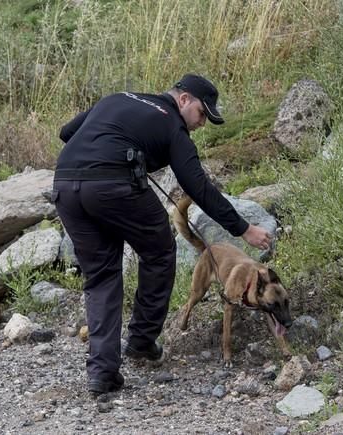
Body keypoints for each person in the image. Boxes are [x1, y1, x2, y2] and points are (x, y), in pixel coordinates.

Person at [52, 74, 273, 395]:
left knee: (101, 276)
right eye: (201, 113)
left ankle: (102, 373)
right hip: (115, 186)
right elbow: (198, 186)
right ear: (183, 99)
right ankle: (141, 340)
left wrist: (122, 146)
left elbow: (66, 132)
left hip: (66, 186)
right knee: (159, 251)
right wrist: (244, 228)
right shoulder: (173, 126)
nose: (201, 123)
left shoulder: (117, 97)